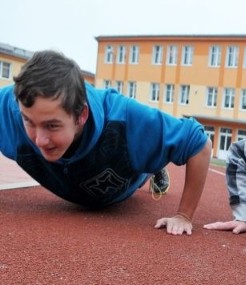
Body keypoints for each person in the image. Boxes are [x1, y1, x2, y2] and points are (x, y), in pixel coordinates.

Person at [0, 50, 212, 235]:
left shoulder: (124, 118)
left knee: (144, 158)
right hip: (74, 186)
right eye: (28, 121)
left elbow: (199, 143)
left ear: (81, 115)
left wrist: (184, 215)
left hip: (124, 182)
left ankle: (155, 166)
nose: (39, 139)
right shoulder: (9, 109)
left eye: (52, 126)